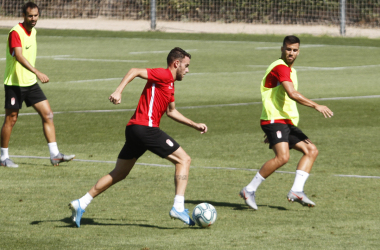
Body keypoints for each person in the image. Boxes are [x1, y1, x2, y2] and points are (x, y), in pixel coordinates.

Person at [69, 47, 207, 227]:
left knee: (119, 172)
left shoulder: (170, 84)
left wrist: (194, 125)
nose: (187, 70)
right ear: (176, 63)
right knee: (184, 160)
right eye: (186, 66)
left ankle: (82, 202)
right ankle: (178, 206)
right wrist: (118, 91)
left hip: (135, 129)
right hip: (146, 128)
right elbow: (134, 71)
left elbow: (171, 112)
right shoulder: (164, 75)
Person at [239, 35, 333, 209]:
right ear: (282, 49)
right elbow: (292, 94)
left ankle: (297, 190)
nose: (291, 53)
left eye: (294, 50)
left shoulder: (292, 71)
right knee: (283, 157)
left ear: (299, 51)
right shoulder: (280, 68)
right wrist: (316, 106)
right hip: (275, 119)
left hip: (284, 122)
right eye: (288, 49)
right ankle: (249, 190)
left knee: (311, 150)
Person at [1, 2, 75, 168]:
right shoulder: (15, 32)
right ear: (24, 15)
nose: (33, 19)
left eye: (35, 16)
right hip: (15, 84)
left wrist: (33, 75)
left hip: (30, 84)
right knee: (11, 119)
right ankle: (3, 157)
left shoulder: (33, 31)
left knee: (48, 114)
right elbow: (19, 56)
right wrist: (37, 72)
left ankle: (55, 154)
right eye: (30, 16)